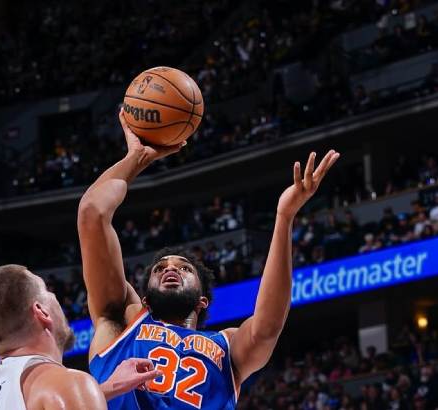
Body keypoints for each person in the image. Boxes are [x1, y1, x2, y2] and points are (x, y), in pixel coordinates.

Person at [77, 110, 339, 408]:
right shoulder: (121, 322)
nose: (170, 269)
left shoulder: (225, 347)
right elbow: (92, 214)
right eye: (160, 268)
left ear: (202, 300)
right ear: (145, 298)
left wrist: (284, 217)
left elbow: (267, 327)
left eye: (183, 268)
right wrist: (136, 159)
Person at [0, 264, 161, 410]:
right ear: (41, 312)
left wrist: (104, 389)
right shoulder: (69, 384)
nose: (55, 297)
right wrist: (81, 392)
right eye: (47, 291)